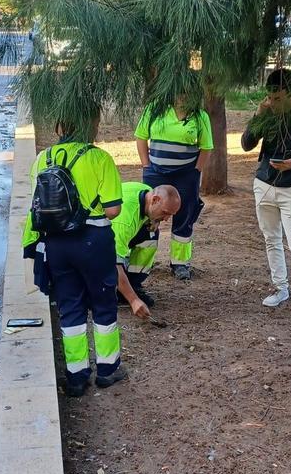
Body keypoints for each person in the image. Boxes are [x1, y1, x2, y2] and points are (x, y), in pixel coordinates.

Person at [22, 108, 125, 397]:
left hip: (57, 244)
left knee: (70, 307)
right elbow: (113, 210)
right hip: (93, 241)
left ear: (59, 127)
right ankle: (107, 370)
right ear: (91, 126)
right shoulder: (99, 158)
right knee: (104, 305)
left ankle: (76, 376)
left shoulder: (44, 158)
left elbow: (37, 205)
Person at [241, 68, 291, 316]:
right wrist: (258, 115)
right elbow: (246, 144)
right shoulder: (267, 112)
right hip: (264, 185)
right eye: (270, 98)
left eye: (278, 98)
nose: (272, 102)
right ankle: (280, 288)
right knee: (271, 239)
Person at [134, 95, 213, 280]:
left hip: (186, 175)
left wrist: (195, 172)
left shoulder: (200, 116)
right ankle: (141, 264)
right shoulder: (154, 109)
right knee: (149, 218)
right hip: (155, 172)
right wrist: (146, 165)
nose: (183, 94)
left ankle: (180, 264)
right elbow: (140, 137)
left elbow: (206, 147)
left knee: (185, 216)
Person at [112, 182, 181, 318]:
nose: (167, 219)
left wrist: (154, 219)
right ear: (155, 200)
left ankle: (133, 284)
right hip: (88, 244)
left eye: (170, 215)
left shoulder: (147, 191)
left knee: (150, 235)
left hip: (114, 230)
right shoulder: (124, 221)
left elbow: (151, 212)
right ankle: (120, 292)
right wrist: (133, 300)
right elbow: (112, 265)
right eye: (165, 213)